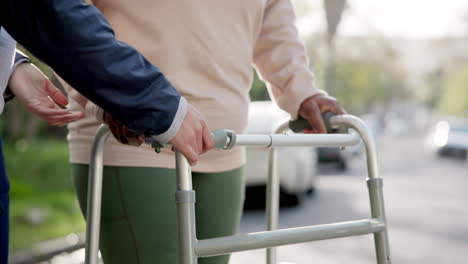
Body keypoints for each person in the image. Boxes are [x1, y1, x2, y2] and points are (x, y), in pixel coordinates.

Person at [62, 0, 346, 263]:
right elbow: (63, 16)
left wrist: (301, 91)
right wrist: (113, 96)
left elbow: (274, 20)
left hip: (223, 140)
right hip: (136, 133)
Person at [0, 0, 212, 262]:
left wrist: (12, 64)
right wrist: (154, 103)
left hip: (213, 136)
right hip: (137, 137)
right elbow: (51, 10)